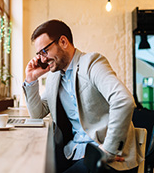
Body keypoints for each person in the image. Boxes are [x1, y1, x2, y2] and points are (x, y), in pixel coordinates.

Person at [23, 19, 143, 173]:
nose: (42, 59)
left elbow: (123, 100)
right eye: (39, 54)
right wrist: (31, 79)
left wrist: (109, 150)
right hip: (73, 152)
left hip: (106, 158)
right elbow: (37, 114)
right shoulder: (54, 77)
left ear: (63, 42)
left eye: (45, 51)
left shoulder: (92, 63)